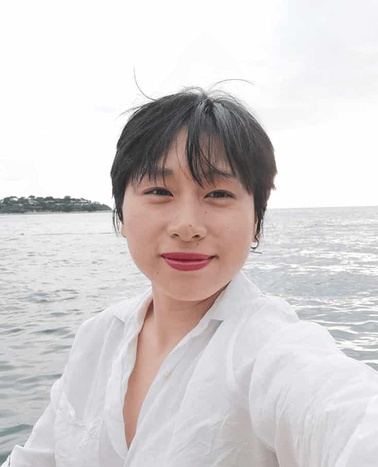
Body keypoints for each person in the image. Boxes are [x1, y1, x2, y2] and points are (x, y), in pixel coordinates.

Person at [3, 87, 378, 467]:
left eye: (217, 194)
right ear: (121, 214)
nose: (187, 227)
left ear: (256, 222)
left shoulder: (272, 349)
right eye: (159, 190)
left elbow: (348, 420)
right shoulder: (97, 337)